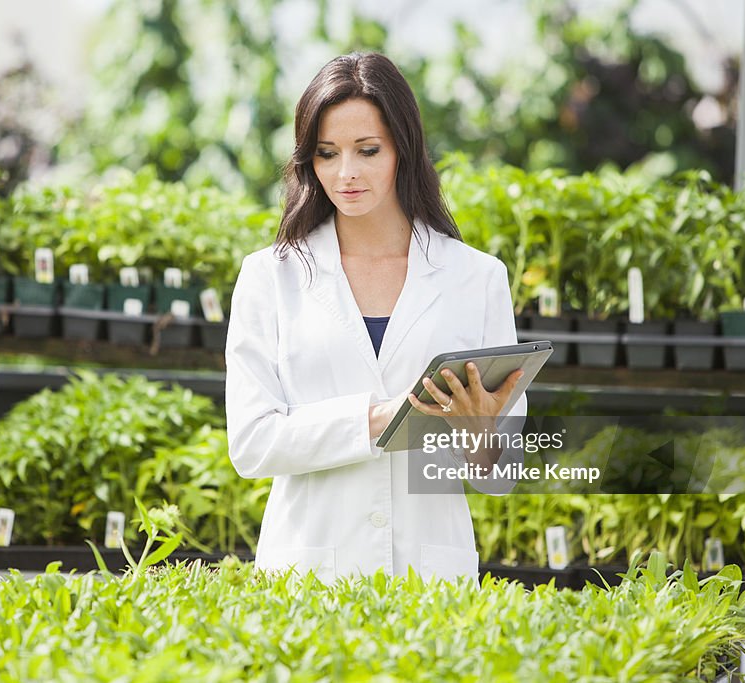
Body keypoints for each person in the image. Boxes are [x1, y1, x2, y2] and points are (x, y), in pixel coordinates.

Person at [225, 52, 526, 584]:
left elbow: (503, 473)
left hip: (430, 577)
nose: (346, 174)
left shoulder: (476, 278)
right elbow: (252, 443)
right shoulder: (270, 277)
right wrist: (381, 420)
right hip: (308, 574)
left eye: (368, 150)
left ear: (403, 151)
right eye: (326, 153)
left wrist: (481, 436)